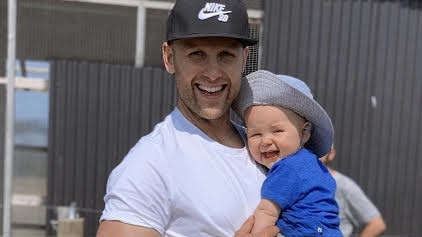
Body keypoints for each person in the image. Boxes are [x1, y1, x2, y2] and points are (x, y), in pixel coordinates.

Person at [96, 0, 280, 236]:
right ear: (169, 57)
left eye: (225, 54)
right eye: (197, 54)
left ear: (244, 58)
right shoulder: (150, 165)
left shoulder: (264, 148)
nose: (213, 74)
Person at [232, 70, 342, 236]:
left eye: (277, 131)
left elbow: (267, 213)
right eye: (256, 134)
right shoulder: (314, 165)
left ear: (305, 132)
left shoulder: (288, 168)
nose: (266, 141)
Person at [320, 146, 387, 237]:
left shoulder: (344, 186)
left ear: (331, 154)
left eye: (320, 147)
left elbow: (377, 224)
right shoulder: (298, 183)